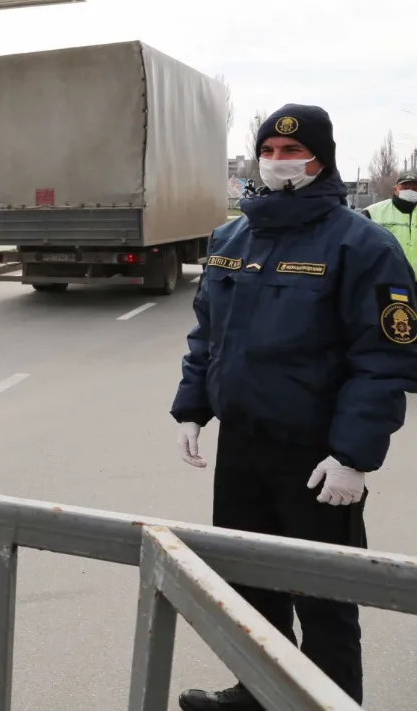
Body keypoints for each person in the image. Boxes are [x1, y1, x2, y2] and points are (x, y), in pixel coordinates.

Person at [171, 105, 417, 710]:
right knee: (248, 583)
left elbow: (383, 359)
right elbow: (207, 333)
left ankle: (330, 701)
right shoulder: (232, 237)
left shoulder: (364, 246)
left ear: (321, 160)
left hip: (316, 457)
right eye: (271, 152)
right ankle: (258, 690)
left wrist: (353, 456)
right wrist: (192, 406)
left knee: (324, 598)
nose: (280, 162)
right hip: (244, 448)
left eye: (293, 152)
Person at [363, 170, 417, 270]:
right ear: (395, 189)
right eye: (406, 188)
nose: (411, 192)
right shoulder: (372, 212)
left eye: (415, 189)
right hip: (389, 279)